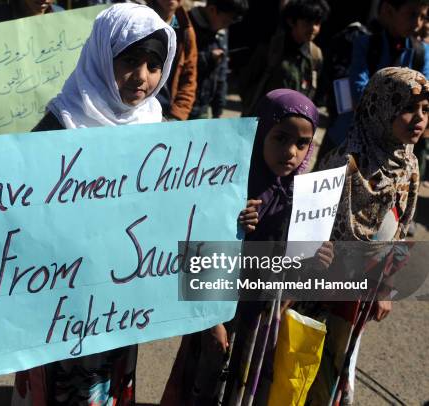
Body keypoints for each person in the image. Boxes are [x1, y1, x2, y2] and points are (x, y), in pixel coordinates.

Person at [0, 4, 176, 404]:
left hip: (118, 306)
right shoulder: (61, 124)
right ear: (101, 54)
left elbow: (179, 212)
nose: (142, 77)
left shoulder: (159, 130)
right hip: (54, 305)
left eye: (153, 64)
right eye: (129, 60)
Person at [161, 89, 330, 406]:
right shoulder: (230, 187)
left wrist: (317, 258)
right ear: (260, 131)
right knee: (206, 389)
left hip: (265, 323)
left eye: (302, 143)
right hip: (224, 320)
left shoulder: (303, 196)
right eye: (280, 138)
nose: (290, 152)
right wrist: (213, 322)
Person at [307, 67, 426, 405]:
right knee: (306, 367)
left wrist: (386, 286)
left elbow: (403, 228)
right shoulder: (344, 162)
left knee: (340, 369)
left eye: (426, 110)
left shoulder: (409, 165)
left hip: (362, 294)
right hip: (322, 291)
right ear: (381, 106)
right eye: (408, 107)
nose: (418, 118)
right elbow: (308, 229)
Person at [319, 0, 429, 161]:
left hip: (389, 149)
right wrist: (403, 104)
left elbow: (423, 94)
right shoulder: (365, 44)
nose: (418, 23)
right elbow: (359, 91)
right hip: (346, 137)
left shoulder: (422, 53)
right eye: (412, 14)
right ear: (389, 11)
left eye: (423, 16)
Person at [239, 0, 329, 117]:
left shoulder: (316, 55)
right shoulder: (270, 48)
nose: (313, 28)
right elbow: (245, 83)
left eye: (317, 23)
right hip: (261, 121)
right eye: (307, 22)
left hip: (290, 126)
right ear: (291, 22)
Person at [188, 0, 248, 119]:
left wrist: (218, 109)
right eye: (225, 21)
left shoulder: (221, 30)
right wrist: (207, 58)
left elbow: (221, 75)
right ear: (212, 10)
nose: (226, 26)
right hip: (184, 106)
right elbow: (182, 65)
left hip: (204, 106)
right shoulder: (187, 26)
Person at [148, 0, 198, 120]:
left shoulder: (185, 30)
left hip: (167, 113)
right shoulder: (138, 21)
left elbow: (189, 76)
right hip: (139, 110)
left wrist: (177, 115)